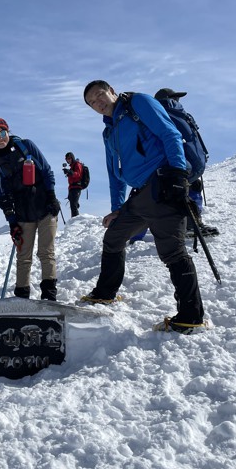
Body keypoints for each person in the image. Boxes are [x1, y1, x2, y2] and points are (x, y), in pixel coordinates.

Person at [81, 80, 206, 334]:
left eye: (99, 95)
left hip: (163, 183)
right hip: (139, 196)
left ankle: (191, 316)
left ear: (112, 91)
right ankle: (105, 293)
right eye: (92, 102)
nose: (98, 102)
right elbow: (115, 176)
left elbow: (169, 133)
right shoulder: (109, 132)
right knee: (114, 238)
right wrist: (117, 210)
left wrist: (178, 174)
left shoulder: (138, 103)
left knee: (172, 251)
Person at [0, 116, 60, 300]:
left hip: (45, 207)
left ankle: (49, 293)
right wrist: (11, 221)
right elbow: (1, 196)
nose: (0, 138)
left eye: (2, 133)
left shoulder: (26, 146)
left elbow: (46, 171)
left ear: (7, 131)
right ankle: (22, 294)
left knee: (46, 252)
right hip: (23, 214)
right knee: (23, 256)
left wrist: (51, 196)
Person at [154, 88, 219, 238]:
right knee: (181, 191)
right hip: (185, 161)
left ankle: (192, 223)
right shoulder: (173, 114)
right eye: (175, 97)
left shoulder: (168, 114)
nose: (177, 100)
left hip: (186, 160)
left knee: (189, 188)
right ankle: (189, 225)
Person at [63, 152, 85, 217]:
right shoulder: (72, 167)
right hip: (72, 187)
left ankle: (75, 220)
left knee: (74, 205)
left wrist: (70, 172)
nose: (68, 160)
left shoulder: (77, 164)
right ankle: (75, 219)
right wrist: (69, 172)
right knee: (73, 204)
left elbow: (78, 174)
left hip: (76, 187)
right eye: (67, 159)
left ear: (72, 158)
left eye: (69, 158)